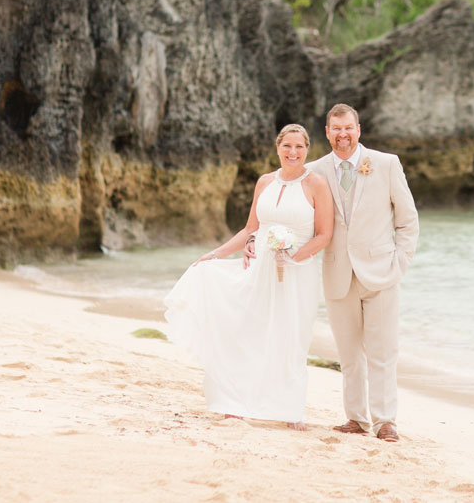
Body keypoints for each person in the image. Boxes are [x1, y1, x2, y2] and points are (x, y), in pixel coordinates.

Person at [163, 124, 333, 430]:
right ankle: (234, 402)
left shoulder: (317, 184)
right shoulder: (265, 182)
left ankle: (290, 410)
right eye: (287, 146)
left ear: (307, 149)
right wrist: (216, 254)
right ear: (278, 148)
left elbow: (324, 236)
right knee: (248, 331)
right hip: (259, 270)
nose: (293, 153)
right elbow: (250, 229)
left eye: (299, 147)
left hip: (298, 272)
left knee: (291, 337)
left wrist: (292, 256)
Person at [311, 103, 419, 442]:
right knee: (348, 353)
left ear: (358, 130)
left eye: (349, 128)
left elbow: (407, 219)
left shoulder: (386, 164)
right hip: (337, 274)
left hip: (381, 272)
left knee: (383, 350)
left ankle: (386, 420)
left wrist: (399, 262)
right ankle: (356, 419)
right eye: (336, 129)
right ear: (327, 133)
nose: (343, 135)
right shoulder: (314, 171)